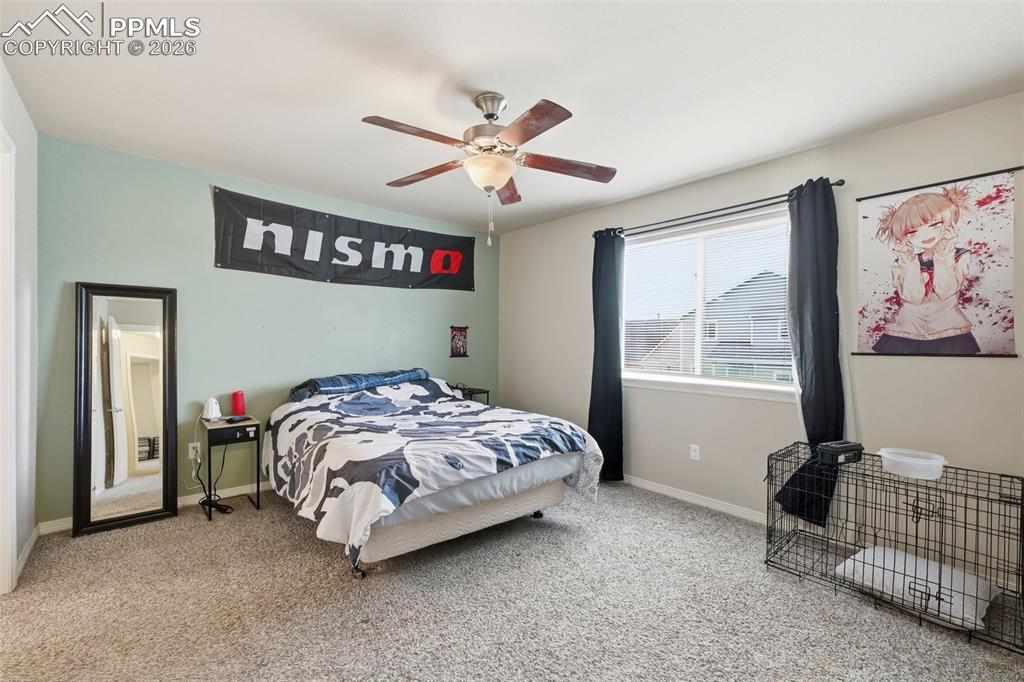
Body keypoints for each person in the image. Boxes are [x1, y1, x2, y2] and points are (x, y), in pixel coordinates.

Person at [872, 185, 979, 354]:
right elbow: (913, 297)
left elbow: (945, 290)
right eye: (912, 232)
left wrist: (944, 254)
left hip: (950, 332)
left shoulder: (960, 255)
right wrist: (908, 260)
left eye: (935, 224)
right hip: (903, 333)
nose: (924, 235)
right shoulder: (904, 261)